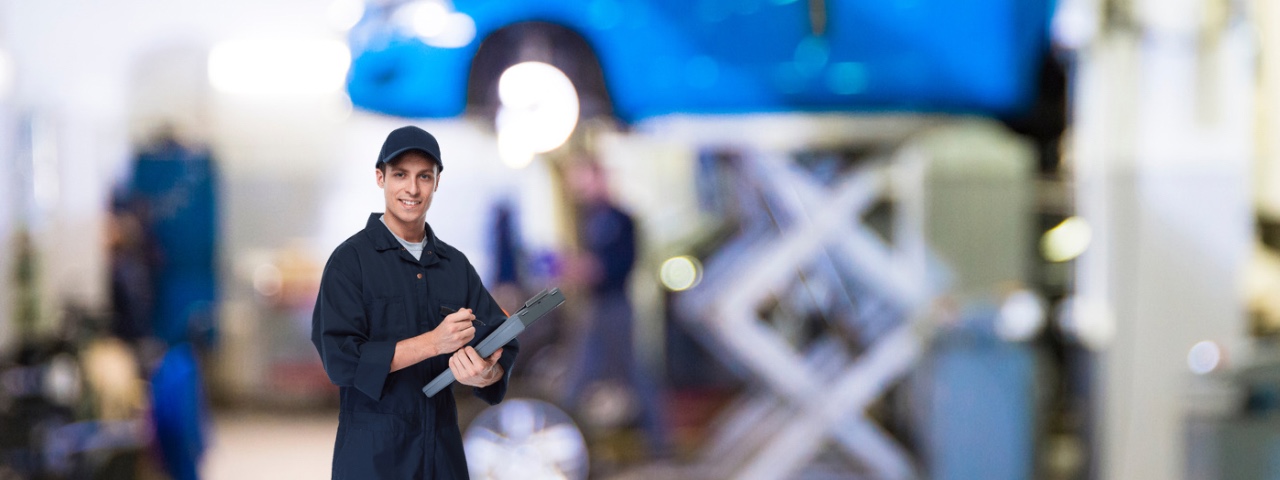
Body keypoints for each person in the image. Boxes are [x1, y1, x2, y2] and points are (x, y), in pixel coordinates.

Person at [311, 125, 518, 479]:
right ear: (380, 178)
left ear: (437, 181)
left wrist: (484, 373)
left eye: (424, 176)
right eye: (400, 175)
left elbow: (501, 344)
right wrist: (433, 343)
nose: (412, 188)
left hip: (442, 454)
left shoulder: (454, 267)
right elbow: (340, 361)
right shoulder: (350, 263)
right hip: (372, 459)